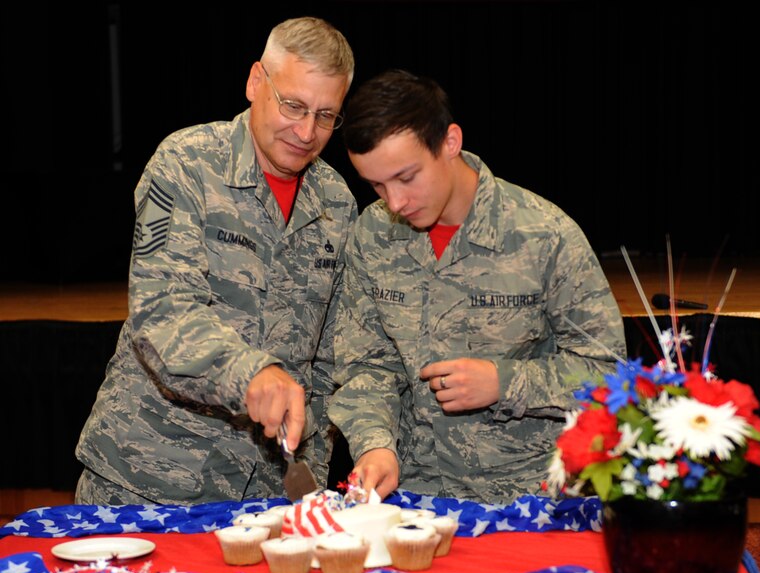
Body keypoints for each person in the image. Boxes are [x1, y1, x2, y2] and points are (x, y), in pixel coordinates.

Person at [74, 17, 357, 505]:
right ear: (255, 82)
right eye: (293, 105)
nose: (307, 131)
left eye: (326, 115)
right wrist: (252, 374)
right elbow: (162, 313)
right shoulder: (186, 164)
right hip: (151, 481)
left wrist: (311, 478)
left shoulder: (337, 202)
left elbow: (327, 361)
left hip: (269, 491)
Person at [329, 69, 627, 503]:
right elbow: (366, 365)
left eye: (406, 177)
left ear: (450, 142)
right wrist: (375, 444)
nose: (394, 202)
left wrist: (505, 382)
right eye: (376, 184)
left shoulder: (544, 234)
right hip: (415, 497)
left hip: (532, 497)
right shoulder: (373, 235)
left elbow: (609, 372)